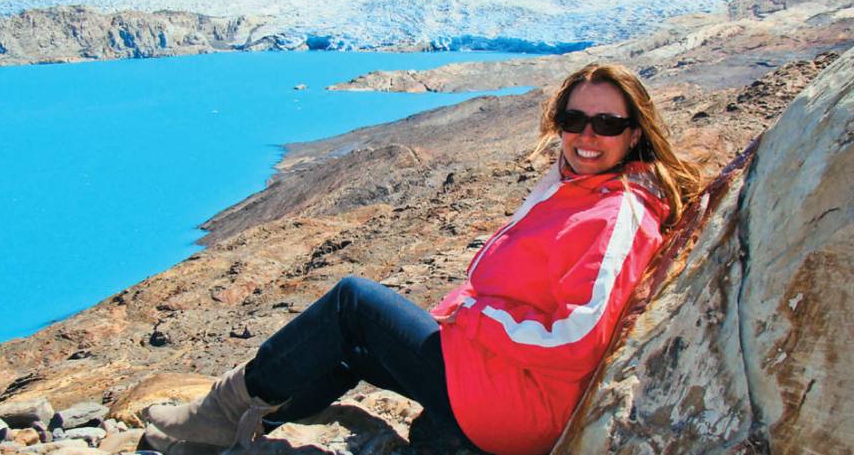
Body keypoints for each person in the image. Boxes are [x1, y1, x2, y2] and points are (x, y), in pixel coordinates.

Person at [141, 63, 702, 455]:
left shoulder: (616, 213)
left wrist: (471, 319)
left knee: (353, 304)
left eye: (607, 124)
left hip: (518, 404)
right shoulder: (576, 188)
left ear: (634, 135)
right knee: (356, 348)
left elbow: (576, 341)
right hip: (494, 373)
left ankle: (219, 409)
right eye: (574, 120)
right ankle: (245, 425)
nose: (587, 135)